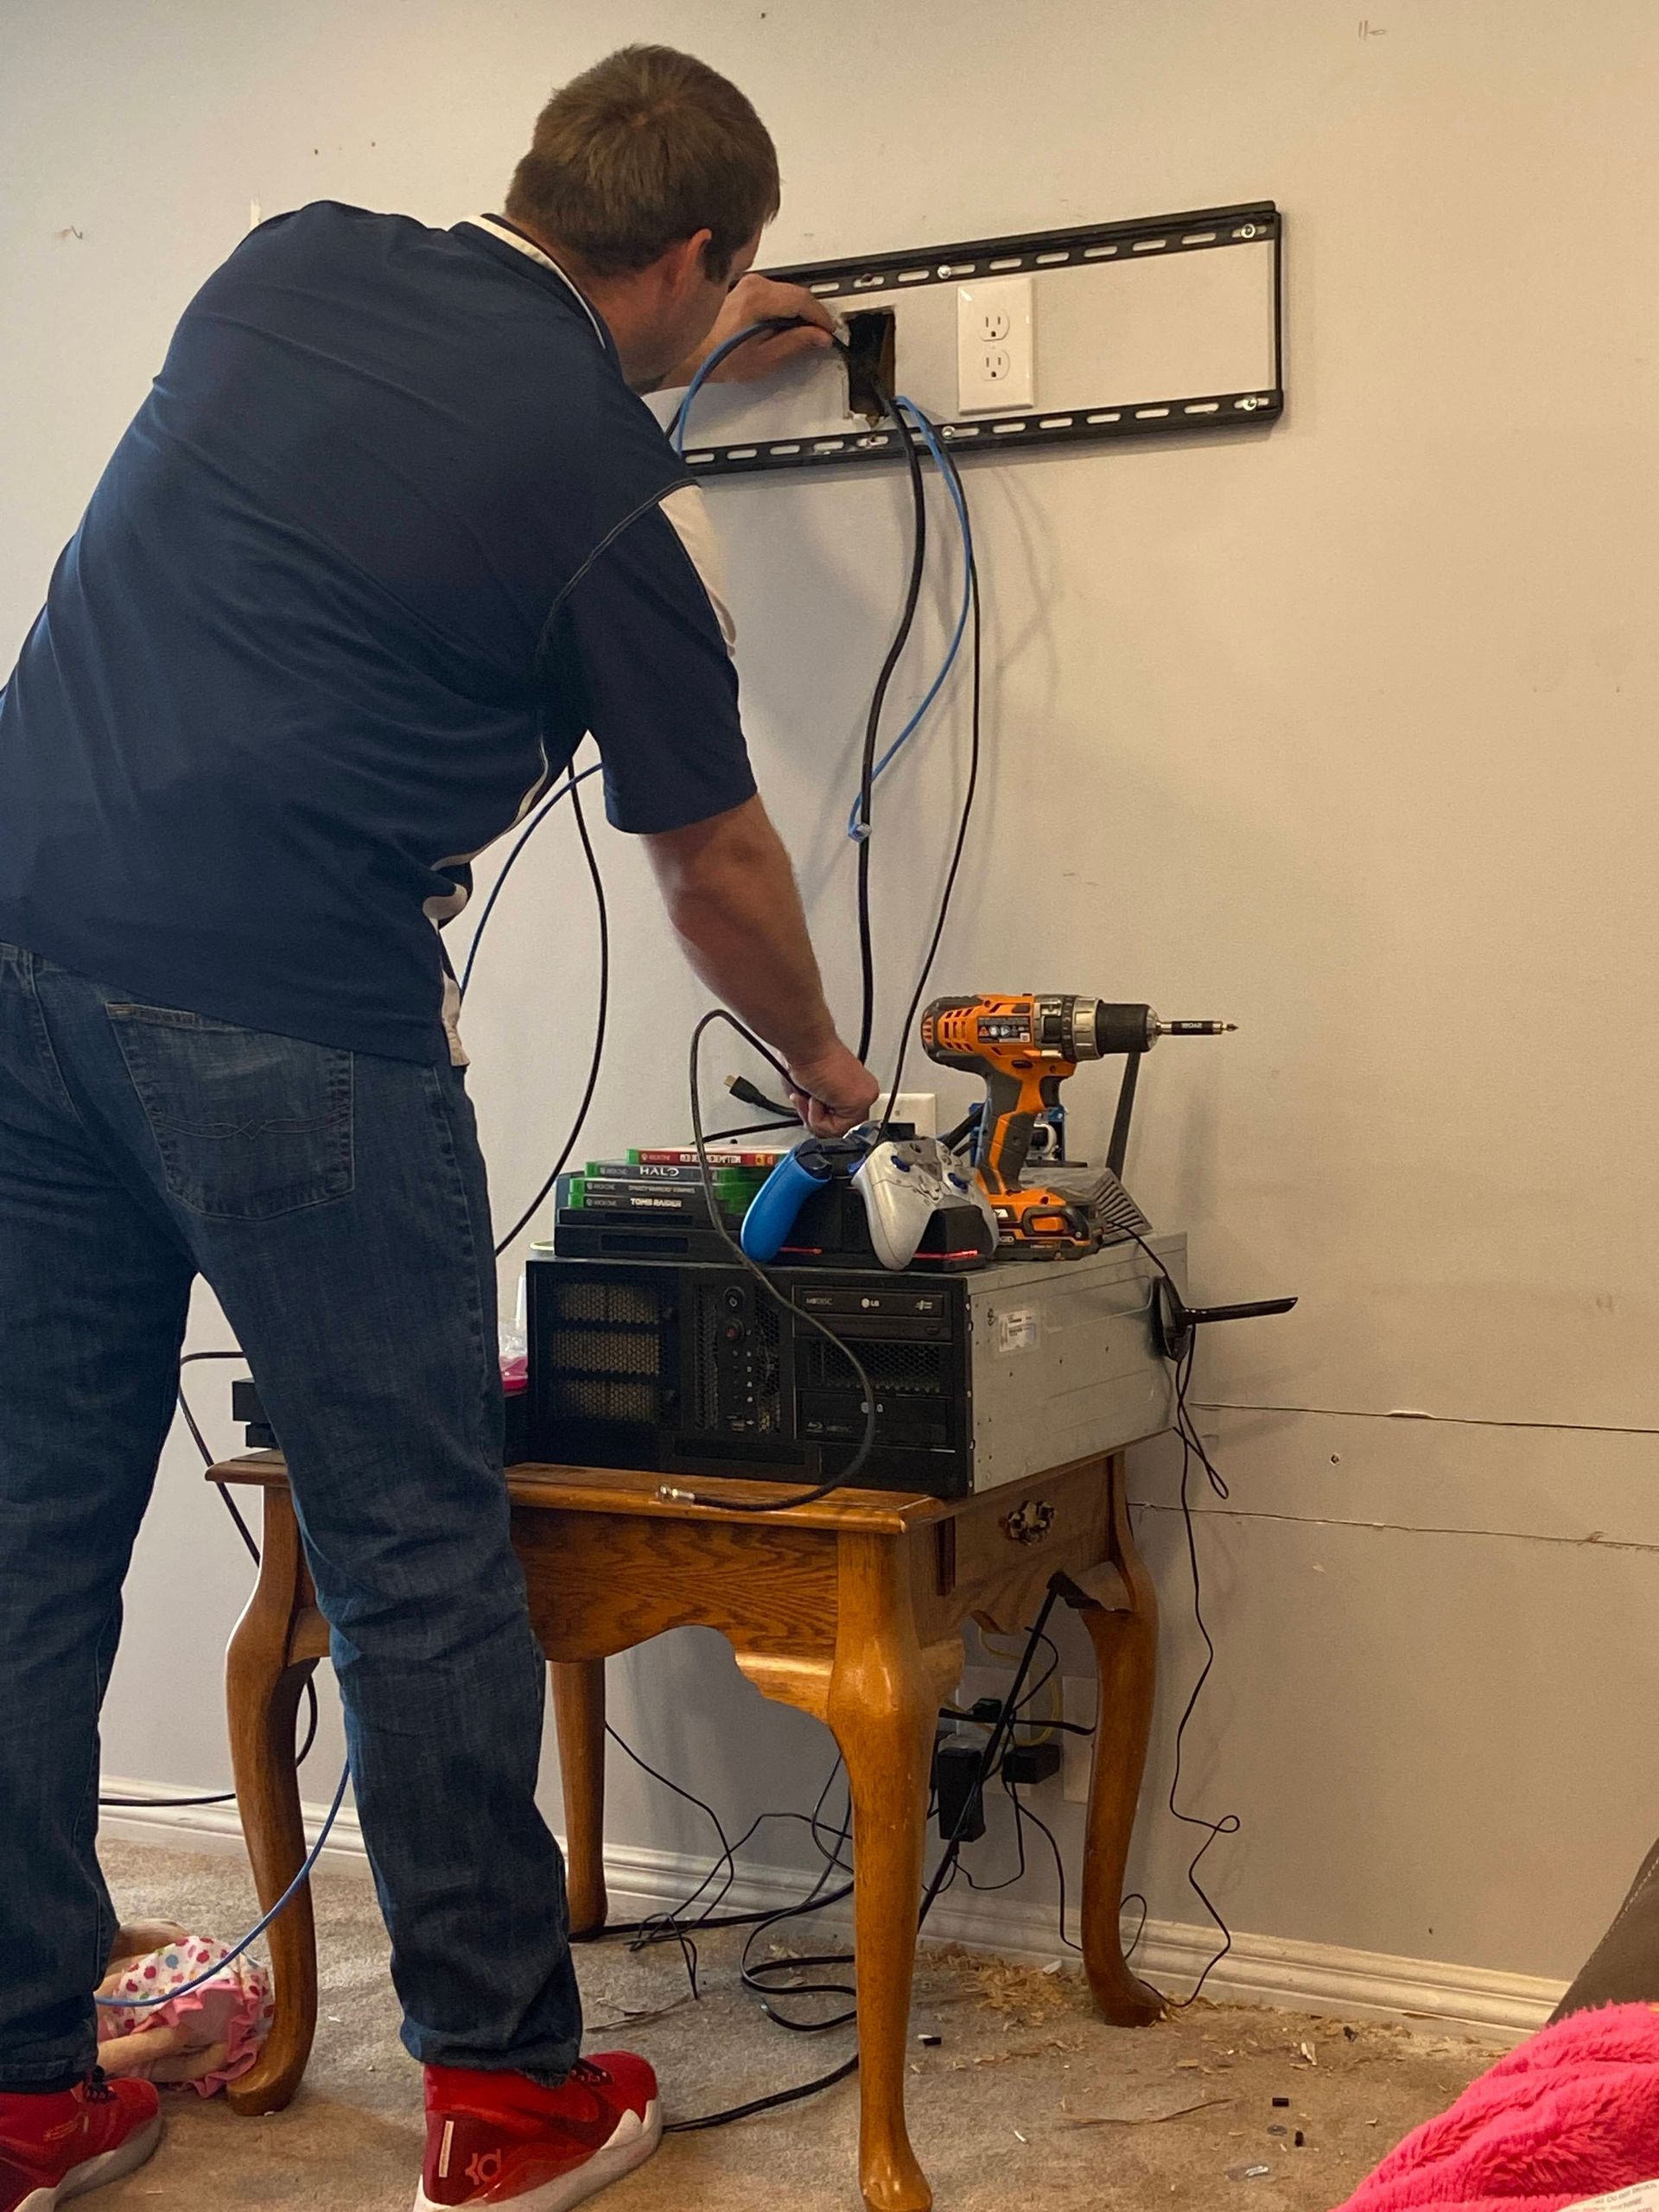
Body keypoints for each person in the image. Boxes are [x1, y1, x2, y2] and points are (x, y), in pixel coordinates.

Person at [0, 43, 878, 2212]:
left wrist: (643, 380)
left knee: (26, 1538)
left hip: (21, 959)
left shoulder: (285, 265)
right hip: (295, 1020)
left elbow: (423, 447)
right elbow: (715, 869)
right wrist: (832, 1070)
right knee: (417, 1553)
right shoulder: (609, 502)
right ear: (692, 254)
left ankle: (21, 2090)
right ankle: (502, 2089)